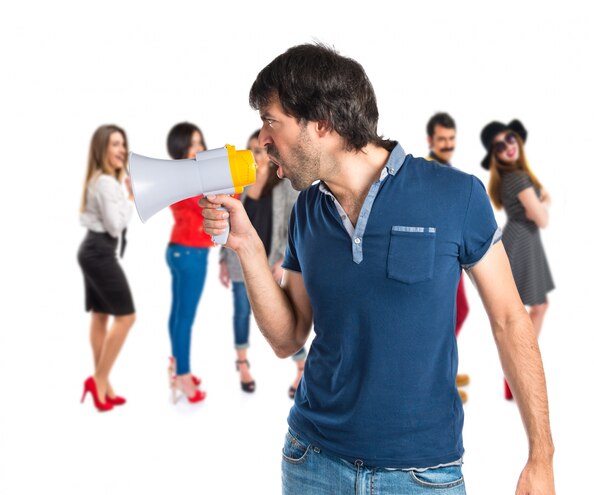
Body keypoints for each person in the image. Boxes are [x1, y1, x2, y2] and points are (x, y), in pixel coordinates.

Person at [201, 44, 554, 494]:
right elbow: (288, 337)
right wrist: (247, 245)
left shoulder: (456, 195)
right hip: (311, 462)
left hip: (423, 475)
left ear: (322, 122)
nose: (263, 139)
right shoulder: (307, 209)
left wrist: (541, 456)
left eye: (271, 121)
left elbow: (509, 320)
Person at [219, 129, 306, 396]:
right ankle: (242, 363)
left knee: (283, 316)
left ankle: (302, 367)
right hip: (237, 263)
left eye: (258, 150)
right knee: (240, 313)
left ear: (269, 155)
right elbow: (224, 223)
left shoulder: (285, 187)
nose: (253, 156)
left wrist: (284, 259)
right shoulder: (237, 186)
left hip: (271, 264)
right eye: (249, 150)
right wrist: (223, 260)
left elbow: (296, 226)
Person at [480, 119, 555, 400]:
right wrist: (544, 201)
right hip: (523, 241)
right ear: (495, 154)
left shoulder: (514, 177)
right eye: (499, 145)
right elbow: (543, 219)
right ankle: (518, 370)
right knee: (525, 311)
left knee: (526, 309)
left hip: (522, 239)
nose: (507, 146)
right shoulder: (519, 178)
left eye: (509, 139)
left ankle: (516, 372)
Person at [78, 124, 136, 412]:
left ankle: (104, 383)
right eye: (115, 144)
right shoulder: (106, 183)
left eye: (122, 144)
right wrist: (130, 197)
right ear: (102, 148)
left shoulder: (102, 180)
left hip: (93, 249)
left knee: (101, 315)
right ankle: (98, 379)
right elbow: (115, 226)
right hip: (99, 251)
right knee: (126, 317)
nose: (121, 150)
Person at [425, 112, 470, 402]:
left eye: (451, 138)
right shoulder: (429, 168)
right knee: (441, 317)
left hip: (451, 255)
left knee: (459, 310)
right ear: (430, 140)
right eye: (442, 138)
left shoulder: (446, 167)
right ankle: (437, 381)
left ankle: (445, 371)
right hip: (437, 256)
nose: (447, 143)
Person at [165, 122, 210, 404]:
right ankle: (182, 375)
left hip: (179, 250)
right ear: (181, 148)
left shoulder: (177, 176)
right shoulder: (189, 178)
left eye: (200, 141)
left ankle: (176, 363)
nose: (200, 148)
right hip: (192, 253)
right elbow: (211, 202)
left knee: (178, 313)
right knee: (185, 317)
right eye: (193, 143)